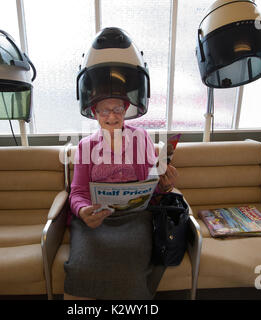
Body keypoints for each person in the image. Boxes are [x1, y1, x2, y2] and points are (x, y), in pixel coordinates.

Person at [63, 27, 178, 300]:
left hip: (134, 218)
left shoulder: (142, 140)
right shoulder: (85, 146)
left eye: (117, 109)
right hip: (96, 219)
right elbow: (77, 193)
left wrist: (165, 184)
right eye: (105, 110)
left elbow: (154, 188)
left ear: (127, 110)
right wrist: (82, 212)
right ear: (94, 112)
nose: (112, 116)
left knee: (132, 269)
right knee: (79, 267)